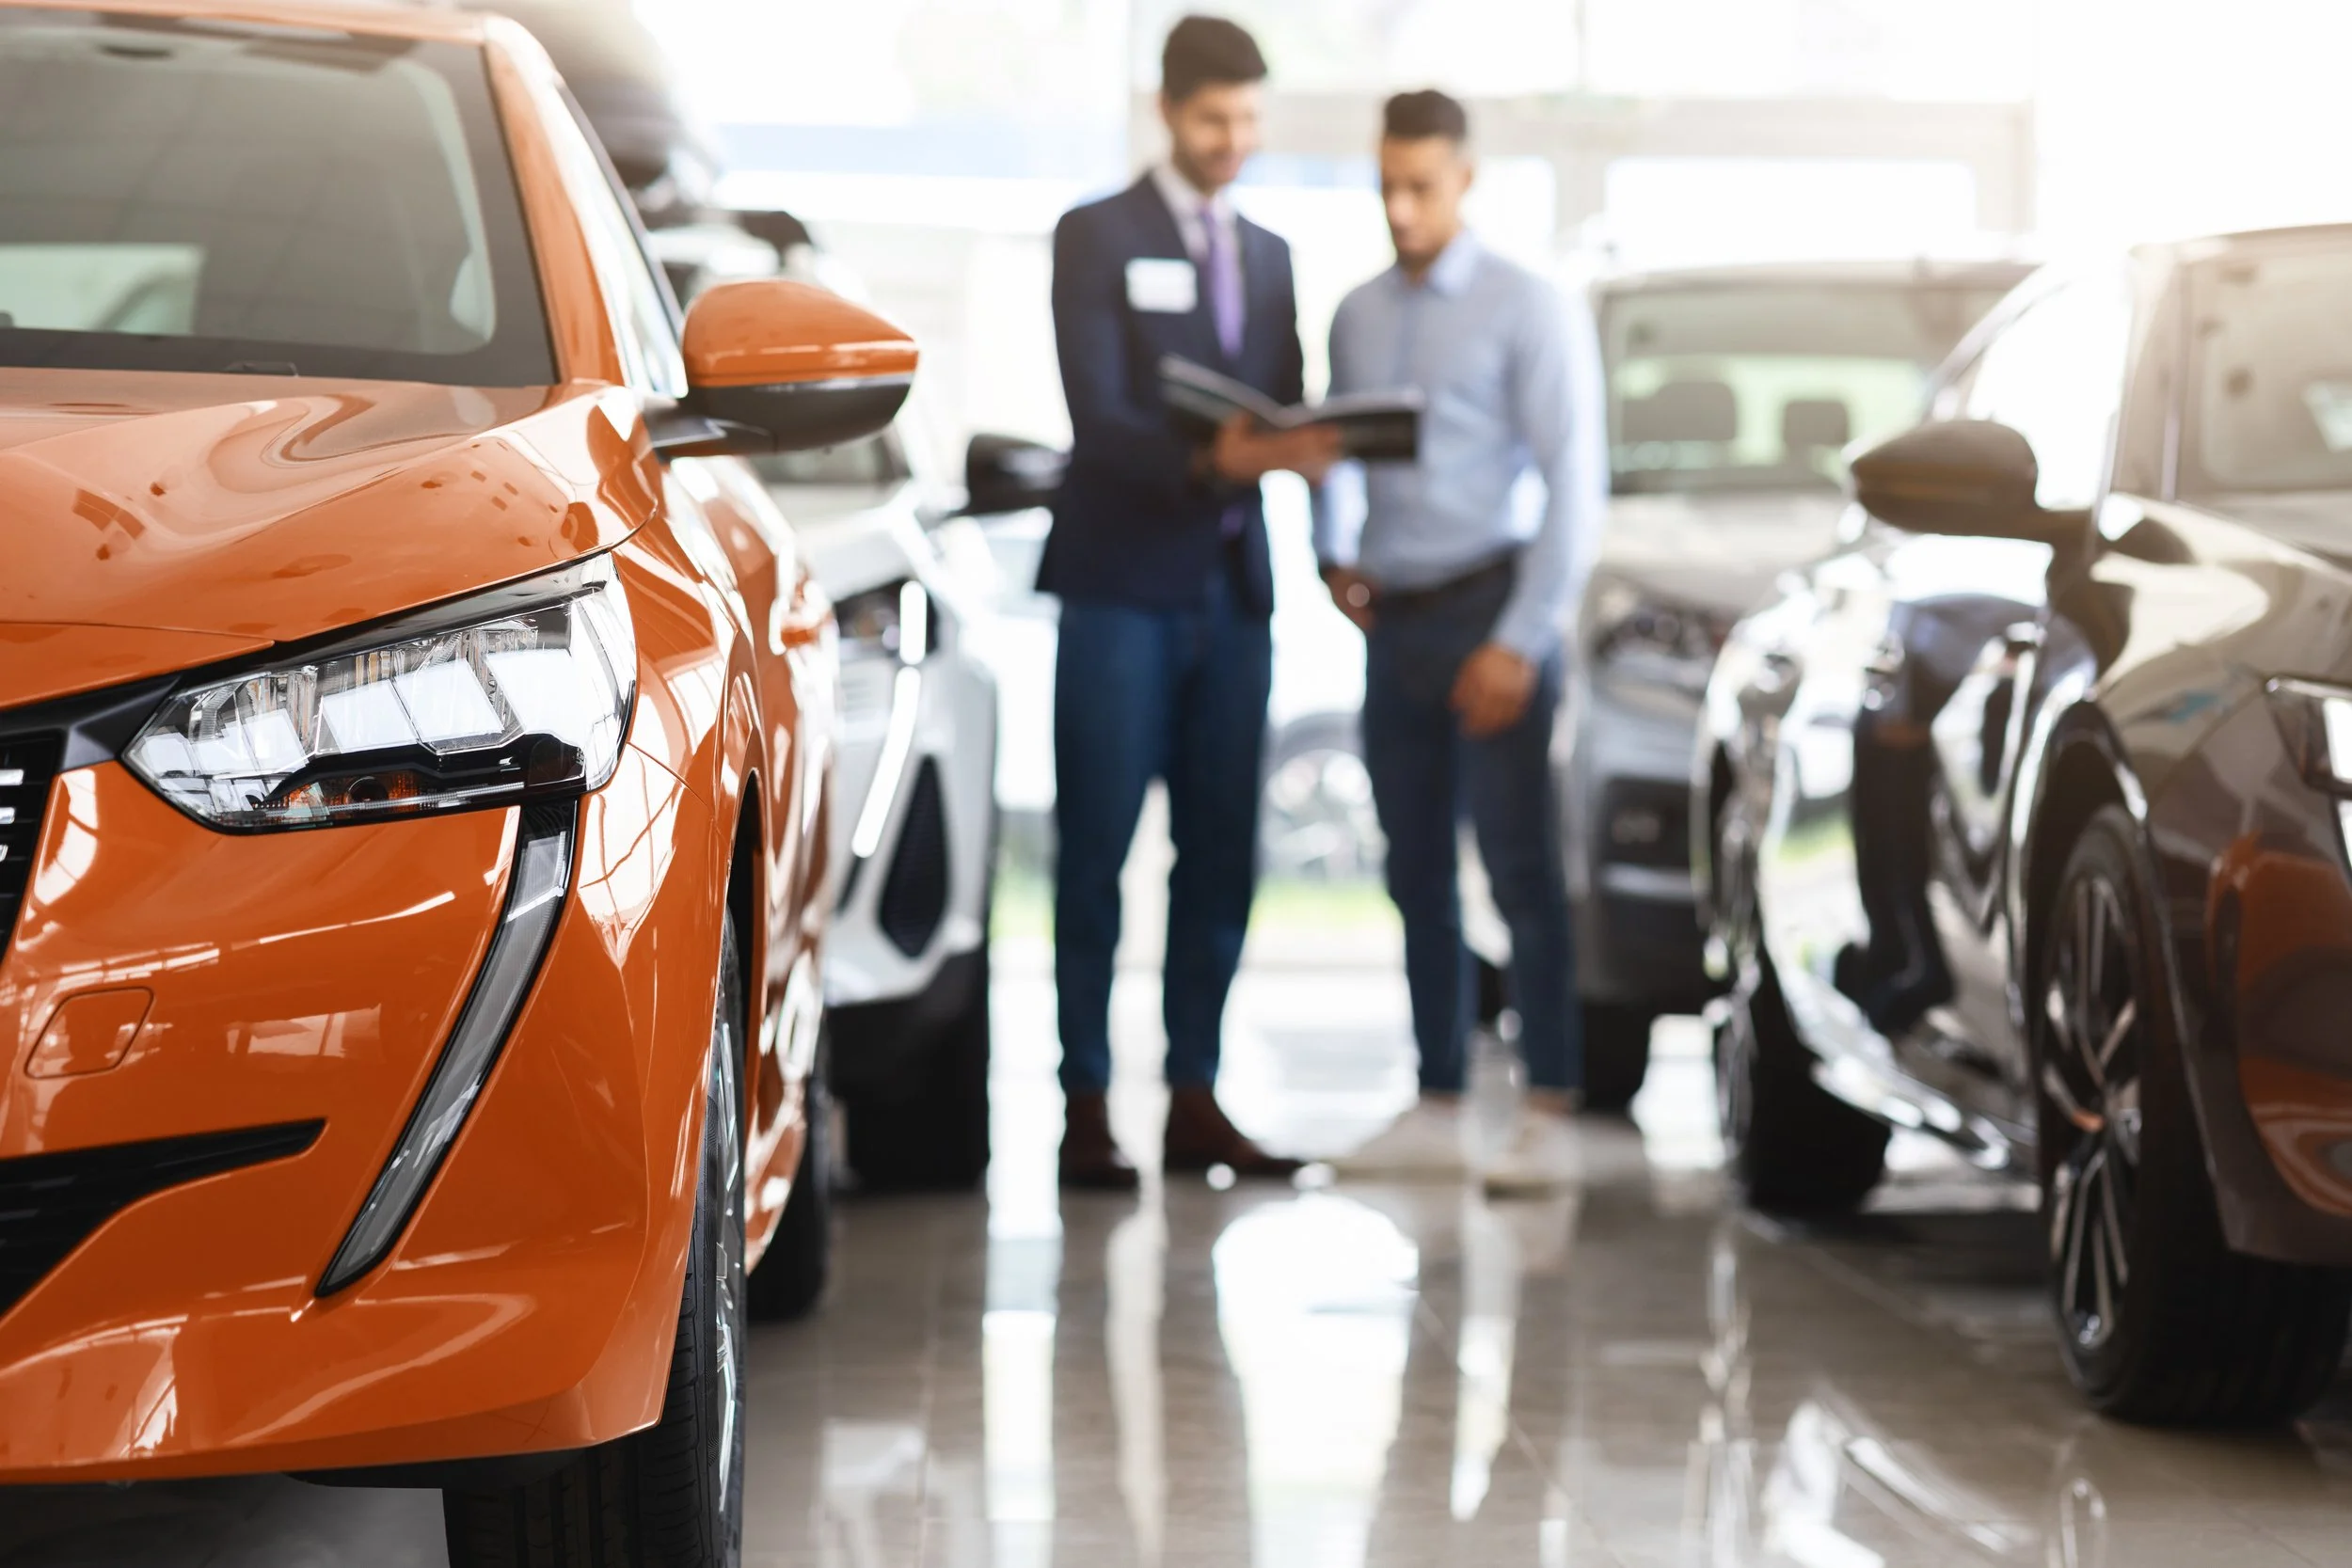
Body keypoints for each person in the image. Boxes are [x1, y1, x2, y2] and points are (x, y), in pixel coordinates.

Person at [1041, 15, 1342, 1190]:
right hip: (1121, 584)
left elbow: (1289, 404)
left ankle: (1196, 1096)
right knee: (1096, 854)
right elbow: (1099, 416)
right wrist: (1217, 462)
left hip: (1234, 596)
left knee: (1221, 852)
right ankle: (1082, 1102)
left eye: (1250, 122)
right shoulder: (1095, 234)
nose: (1235, 142)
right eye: (1217, 120)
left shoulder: (1267, 255)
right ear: (1170, 111)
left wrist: (1314, 454)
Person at [1316, 89, 1606, 1193]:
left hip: (1495, 613)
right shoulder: (1355, 313)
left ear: (1466, 180)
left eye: (1421, 187)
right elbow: (1336, 454)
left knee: (1522, 869)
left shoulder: (1528, 308)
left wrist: (1520, 639)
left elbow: (1575, 488)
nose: (1400, 208)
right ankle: (1436, 1097)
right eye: (1386, 184)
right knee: (1415, 870)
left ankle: (1548, 1103)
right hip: (1395, 617)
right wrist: (1331, 556)